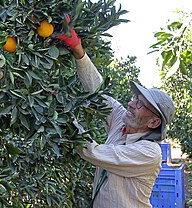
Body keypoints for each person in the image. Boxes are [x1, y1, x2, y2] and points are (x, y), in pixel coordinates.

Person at [57, 16, 176, 208]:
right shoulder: (122, 122)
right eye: (135, 99)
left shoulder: (149, 152)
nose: (130, 104)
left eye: (140, 105)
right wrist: (78, 50)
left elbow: (93, 152)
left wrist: (62, 116)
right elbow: (98, 93)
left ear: (154, 123)